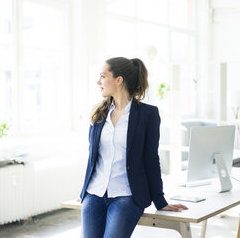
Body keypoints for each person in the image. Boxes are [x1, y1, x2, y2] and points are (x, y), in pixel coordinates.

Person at [79, 57, 188, 238]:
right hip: (94, 194)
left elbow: (151, 159)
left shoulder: (148, 115)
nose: (98, 82)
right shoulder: (98, 112)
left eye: (103, 76)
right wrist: (84, 191)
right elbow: (93, 157)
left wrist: (160, 201)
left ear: (118, 80)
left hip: (127, 196)